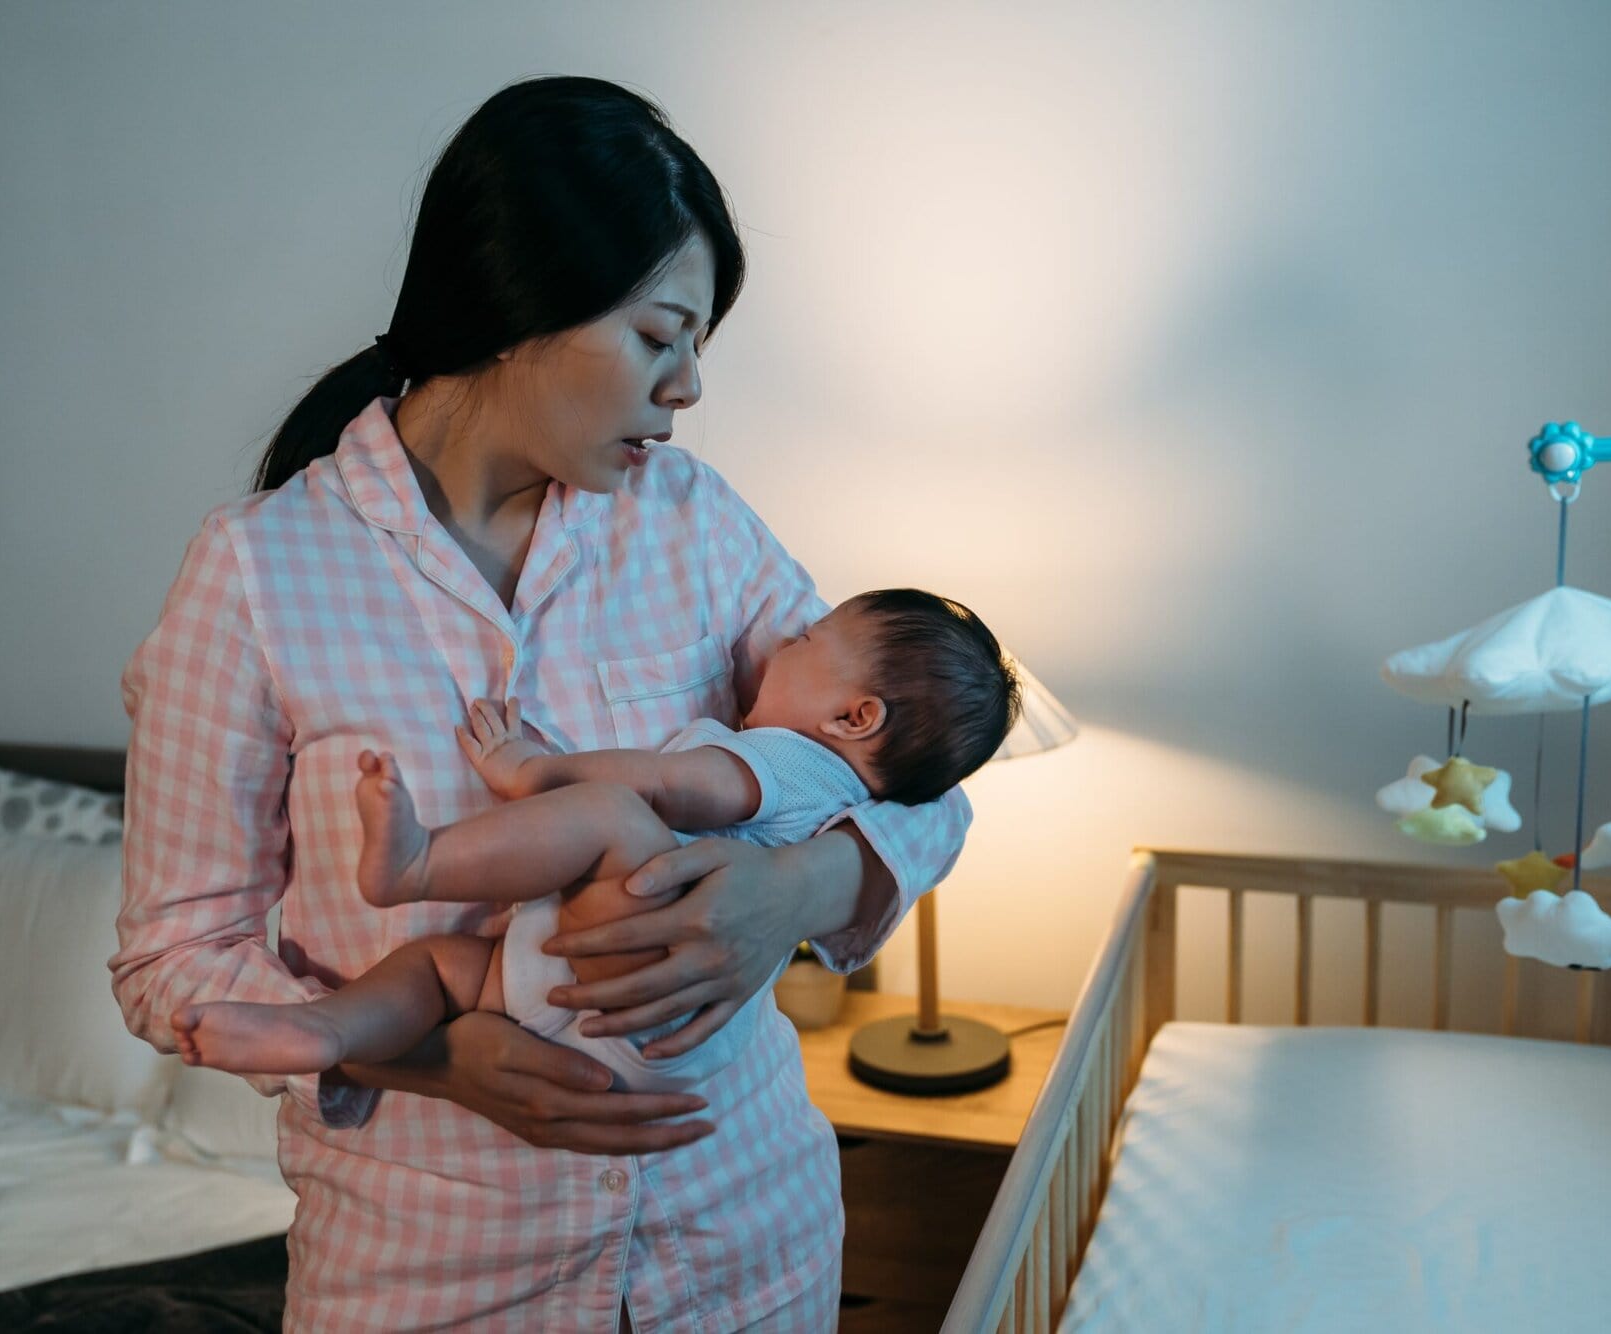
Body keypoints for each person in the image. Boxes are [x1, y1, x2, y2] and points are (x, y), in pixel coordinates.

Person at [110, 75, 972, 1333]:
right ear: (521, 308)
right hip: (435, 1273)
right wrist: (433, 1053)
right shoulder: (259, 572)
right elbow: (169, 960)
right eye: (658, 336)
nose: (685, 389)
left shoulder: (697, 527)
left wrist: (789, 896)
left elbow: (911, 773)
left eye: (697, 348)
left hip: (745, 1243)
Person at [168, 590, 1020, 1095]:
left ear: (855, 716)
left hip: (636, 971)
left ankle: (416, 864)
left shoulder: (790, 767)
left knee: (610, 815)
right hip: (627, 1025)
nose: (780, 642)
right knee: (439, 970)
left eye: (803, 641)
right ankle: (328, 1036)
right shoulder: (833, 784)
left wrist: (537, 771)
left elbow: (661, 781)